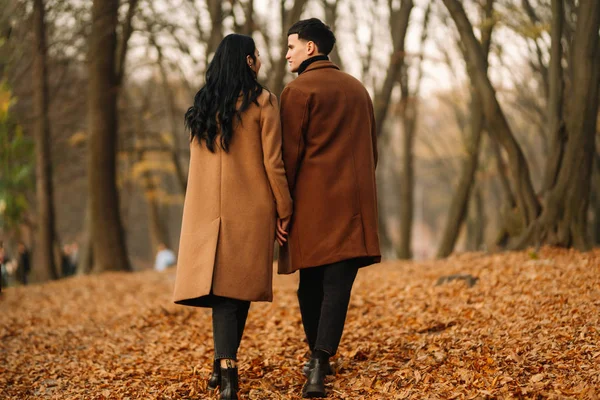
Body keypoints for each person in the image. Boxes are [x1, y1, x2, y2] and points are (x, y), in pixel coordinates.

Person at [172, 33, 292, 400]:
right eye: (255, 55)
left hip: (206, 214)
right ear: (247, 61)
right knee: (233, 294)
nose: (259, 60)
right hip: (250, 211)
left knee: (231, 292)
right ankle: (228, 377)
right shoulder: (263, 102)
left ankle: (220, 365)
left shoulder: (203, 105)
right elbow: (274, 163)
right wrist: (285, 209)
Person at [278, 18, 381, 398]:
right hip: (354, 208)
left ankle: (317, 360)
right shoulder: (358, 89)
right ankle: (321, 360)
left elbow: (288, 157)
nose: (286, 53)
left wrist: (281, 208)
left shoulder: (298, 91)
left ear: (311, 48)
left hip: (313, 209)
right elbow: (373, 150)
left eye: (291, 46)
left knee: (311, 286)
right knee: (338, 286)